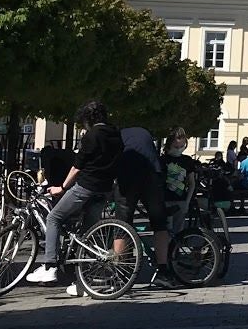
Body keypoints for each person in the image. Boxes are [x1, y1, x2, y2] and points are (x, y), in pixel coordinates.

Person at [26, 101, 123, 285]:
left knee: (54, 217)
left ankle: (49, 266)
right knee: (87, 232)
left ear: (88, 119)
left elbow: (77, 167)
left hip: (86, 186)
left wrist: (62, 187)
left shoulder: (91, 136)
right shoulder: (116, 135)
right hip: (104, 188)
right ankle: (83, 278)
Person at [118, 123, 176, 288]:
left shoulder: (116, 135)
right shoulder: (144, 132)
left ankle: (120, 274)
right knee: (159, 224)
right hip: (152, 175)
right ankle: (163, 271)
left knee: (121, 226)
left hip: (128, 177)